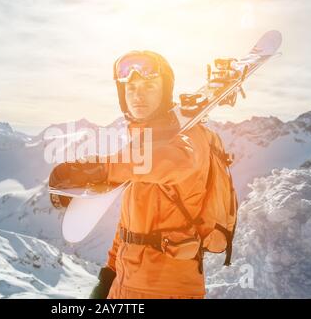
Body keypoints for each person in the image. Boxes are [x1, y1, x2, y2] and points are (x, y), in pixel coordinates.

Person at [49, 51, 213, 299]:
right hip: (126, 286)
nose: (138, 94)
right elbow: (129, 229)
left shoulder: (188, 137)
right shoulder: (140, 145)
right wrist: (109, 277)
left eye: (149, 86)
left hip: (168, 289)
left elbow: (176, 163)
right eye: (131, 87)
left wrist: (101, 169)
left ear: (165, 90)